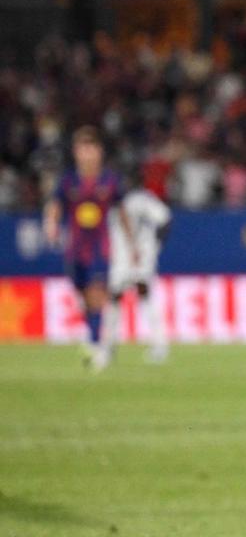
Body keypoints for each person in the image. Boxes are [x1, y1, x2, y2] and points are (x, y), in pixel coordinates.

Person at [43, 127, 133, 372]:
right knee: (84, 298)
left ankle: (97, 347)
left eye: (92, 148)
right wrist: (50, 224)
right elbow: (55, 205)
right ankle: (93, 336)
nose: (88, 154)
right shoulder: (68, 181)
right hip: (75, 250)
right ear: (76, 152)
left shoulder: (111, 180)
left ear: (100, 151)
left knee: (97, 294)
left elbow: (122, 211)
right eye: (83, 148)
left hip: (100, 249)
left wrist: (131, 242)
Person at [109, 185, 173, 364]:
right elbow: (166, 219)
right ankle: (109, 346)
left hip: (138, 255)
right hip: (123, 256)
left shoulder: (139, 199)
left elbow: (165, 219)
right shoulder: (111, 202)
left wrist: (153, 246)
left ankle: (159, 345)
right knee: (118, 296)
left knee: (139, 293)